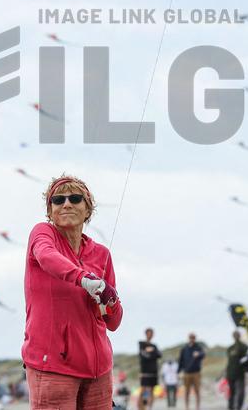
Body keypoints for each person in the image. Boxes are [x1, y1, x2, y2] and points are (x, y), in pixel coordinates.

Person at [22, 175, 123, 410]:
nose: (66, 204)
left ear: (88, 210)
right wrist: (83, 278)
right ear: (50, 211)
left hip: (99, 369)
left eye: (75, 198)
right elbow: (47, 256)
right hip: (53, 365)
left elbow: (114, 322)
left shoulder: (102, 254)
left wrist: (110, 299)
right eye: (58, 200)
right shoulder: (42, 233)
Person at [178, 334, 205, 410]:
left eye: (193, 338)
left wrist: (198, 354)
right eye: (190, 338)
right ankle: (187, 407)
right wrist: (179, 371)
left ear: (195, 339)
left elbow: (203, 354)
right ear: (188, 339)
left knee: (197, 390)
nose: (192, 339)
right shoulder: (184, 349)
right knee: (186, 391)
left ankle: (197, 407)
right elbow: (180, 360)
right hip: (186, 373)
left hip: (196, 373)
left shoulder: (198, 347)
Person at [138, 329, 162, 410]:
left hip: (153, 371)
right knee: (143, 390)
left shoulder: (154, 346)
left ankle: (149, 408)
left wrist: (151, 352)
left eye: (151, 334)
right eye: (149, 333)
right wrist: (152, 354)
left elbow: (159, 355)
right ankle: (141, 407)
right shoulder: (141, 344)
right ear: (146, 334)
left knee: (152, 390)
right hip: (144, 371)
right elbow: (143, 356)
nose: (150, 335)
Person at [224, 331, 248, 410]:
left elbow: (247, 359)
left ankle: (238, 407)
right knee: (232, 392)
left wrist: (246, 369)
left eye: (237, 335)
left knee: (240, 393)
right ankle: (231, 407)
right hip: (231, 374)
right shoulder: (230, 348)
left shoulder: (244, 347)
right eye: (235, 335)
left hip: (240, 374)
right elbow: (229, 362)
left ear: (239, 336)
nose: (236, 336)